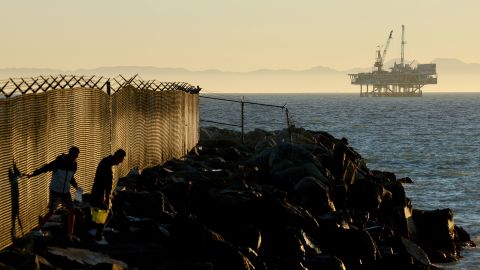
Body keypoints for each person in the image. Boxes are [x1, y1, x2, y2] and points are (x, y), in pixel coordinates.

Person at [25, 146, 81, 242]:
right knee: (51, 211)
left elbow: (70, 178)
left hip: (65, 193)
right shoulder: (59, 161)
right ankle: (38, 230)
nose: (74, 158)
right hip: (55, 190)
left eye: (76, 156)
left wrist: (76, 186)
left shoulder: (74, 165)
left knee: (72, 211)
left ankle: (69, 235)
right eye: (73, 155)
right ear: (69, 154)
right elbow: (45, 168)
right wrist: (32, 174)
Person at [90, 148, 126, 244]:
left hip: (100, 193)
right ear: (117, 156)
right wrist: (105, 196)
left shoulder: (107, 162)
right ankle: (98, 234)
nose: (121, 162)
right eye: (121, 159)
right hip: (100, 193)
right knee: (107, 213)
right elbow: (104, 182)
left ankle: (97, 232)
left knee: (102, 213)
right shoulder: (106, 164)